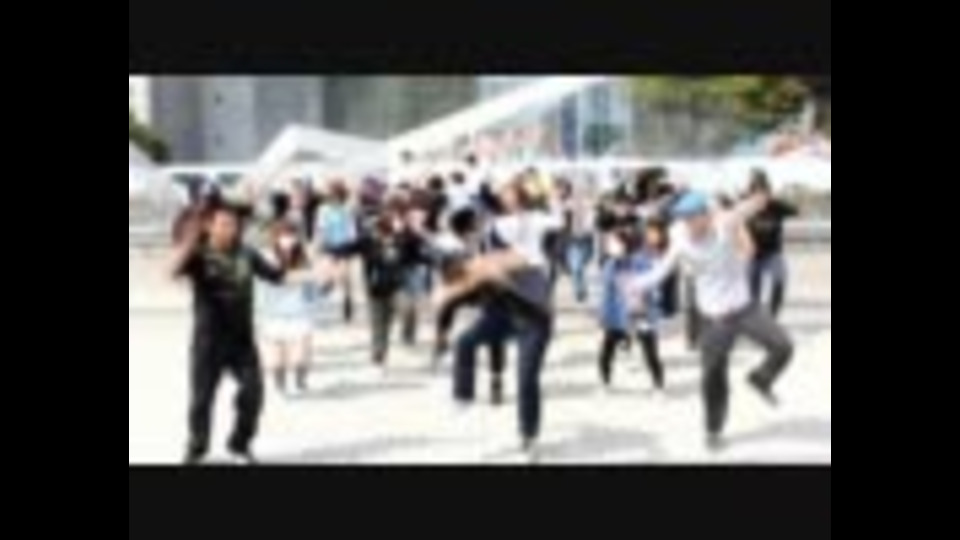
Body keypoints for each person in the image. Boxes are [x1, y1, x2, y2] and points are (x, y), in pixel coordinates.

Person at [622, 190, 795, 451]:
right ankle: (713, 430)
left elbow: (744, 209)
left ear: (706, 216)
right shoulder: (680, 237)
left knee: (783, 346)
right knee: (713, 377)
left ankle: (761, 379)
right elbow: (661, 270)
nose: (689, 226)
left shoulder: (724, 224)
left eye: (693, 219)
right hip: (715, 319)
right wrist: (636, 284)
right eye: (684, 220)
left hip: (745, 308)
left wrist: (758, 200)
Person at [171, 202, 291, 465]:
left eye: (234, 225)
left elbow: (276, 277)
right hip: (208, 341)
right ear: (210, 226)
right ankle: (197, 447)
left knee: (254, 393)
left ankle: (239, 444)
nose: (230, 229)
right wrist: (190, 240)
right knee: (201, 400)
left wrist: (281, 250)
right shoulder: (199, 255)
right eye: (224, 224)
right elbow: (172, 271)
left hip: (241, 340)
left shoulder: (247, 253)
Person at [258, 220, 331, 394]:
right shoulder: (267, 257)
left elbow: (314, 287)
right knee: (276, 357)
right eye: (283, 235)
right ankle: (280, 383)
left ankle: (300, 378)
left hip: (300, 312)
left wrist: (325, 287)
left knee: (300, 355)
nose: (287, 240)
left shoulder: (304, 257)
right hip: (273, 312)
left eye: (291, 235)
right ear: (276, 237)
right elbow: (264, 281)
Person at [597, 225, 667, 392]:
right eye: (609, 244)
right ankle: (605, 383)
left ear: (624, 244)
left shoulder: (642, 262)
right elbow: (606, 294)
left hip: (641, 313)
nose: (609, 247)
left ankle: (658, 386)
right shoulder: (610, 265)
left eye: (613, 243)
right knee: (606, 351)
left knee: (650, 352)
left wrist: (652, 307)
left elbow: (653, 287)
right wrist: (604, 317)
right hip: (617, 315)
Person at [745, 170, 799, 318]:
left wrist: (779, 200)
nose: (760, 199)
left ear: (768, 193)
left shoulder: (776, 206)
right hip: (751, 255)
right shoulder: (744, 208)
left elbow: (796, 211)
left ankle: (772, 315)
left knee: (779, 279)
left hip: (772, 253)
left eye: (763, 194)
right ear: (750, 195)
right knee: (751, 287)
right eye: (755, 194)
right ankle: (754, 316)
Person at [314, 181, 360, 323]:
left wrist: (352, 241)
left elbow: (351, 228)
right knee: (329, 272)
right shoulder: (323, 209)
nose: (333, 197)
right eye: (331, 195)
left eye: (336, 195)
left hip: (345, 246)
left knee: (345, 277)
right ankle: (329, 284)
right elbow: (320, 227)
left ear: (341, 195)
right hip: (329, 245)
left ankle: (347, 300)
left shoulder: (347, 209)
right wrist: (319, 242)